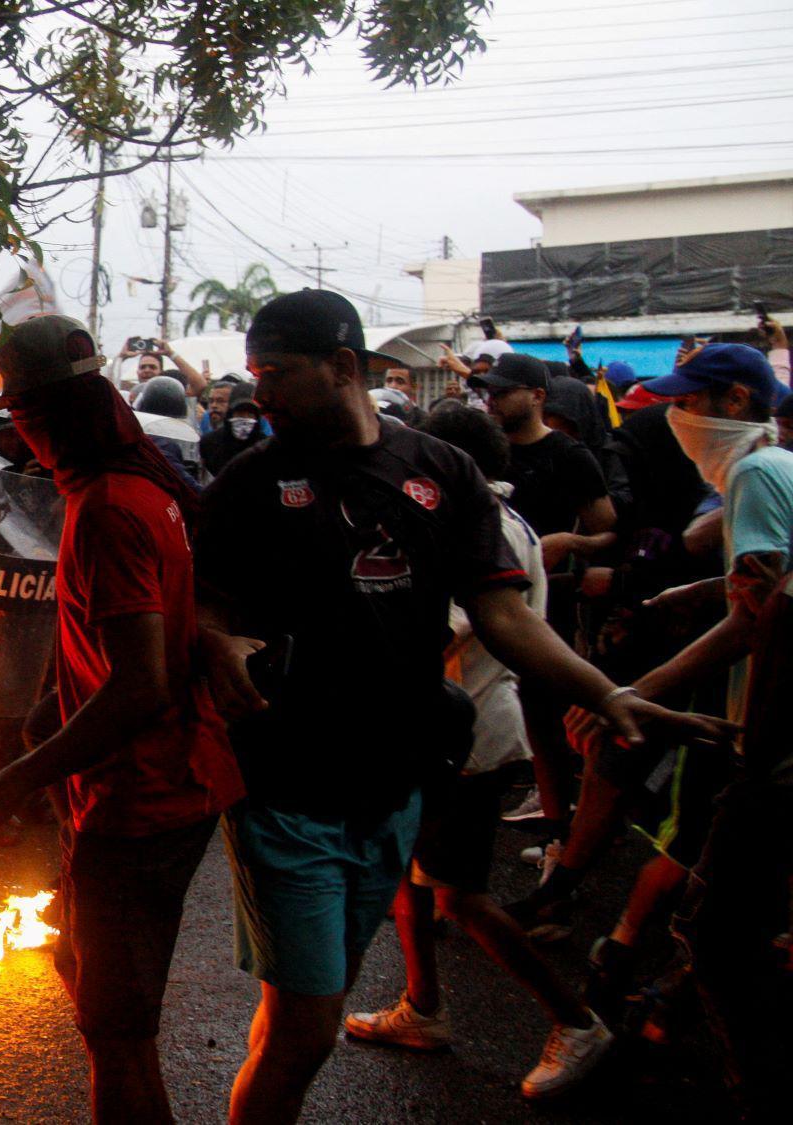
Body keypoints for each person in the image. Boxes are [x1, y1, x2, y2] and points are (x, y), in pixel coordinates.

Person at [195, 289, 729, 1125]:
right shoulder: (247, 484)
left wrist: (607, 691)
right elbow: (198, 599)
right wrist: (216, 638)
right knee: (305, 1034)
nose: (259, 392)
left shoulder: (441, 472)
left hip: (396, 786)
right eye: (256, 372)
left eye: (278, 373)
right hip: (286, 788)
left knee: (302, 1015)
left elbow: (505, 614)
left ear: (344, 368)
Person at [0, 314, 242, 1125]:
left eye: (21, 419)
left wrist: (12, 780)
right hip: (155, 778)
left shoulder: (111, 506)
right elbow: (147, 643)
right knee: (87, 974)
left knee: (115, 1031)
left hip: (143, 792)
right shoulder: (139, 485)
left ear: (42, 419)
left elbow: (142, 683)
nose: (22, 438)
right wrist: (51, 713)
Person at [345, 405, 614, 1099]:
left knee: (462, 896)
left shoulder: (478, 525)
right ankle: (423, 1005)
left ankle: (576, 1020)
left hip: (466, 737)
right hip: (451, 728)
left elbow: (446, 631)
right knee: (413, 872)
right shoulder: (498, 518)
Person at [598, 344, 793, 1117]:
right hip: (772, 725)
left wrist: (634, 693)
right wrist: (698, 587)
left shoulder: (752, 474)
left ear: (738, 399)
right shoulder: (778, 465)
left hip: (775, 733)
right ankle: (668, 1015)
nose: (678, 419)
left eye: (691, 402)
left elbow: (756, 618)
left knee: (719, 931)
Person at [469, 351, 616, 855]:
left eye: (503, 391)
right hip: (477, 602)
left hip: (538, 601)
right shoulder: (480, 451)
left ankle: (560, 837)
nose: (492, 399)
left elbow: (607, 529)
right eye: (488, 391)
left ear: (537, 397)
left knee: (543, 718)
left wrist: (569, 544)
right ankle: (452, 851)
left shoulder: (568, 455)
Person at [202, 390, 267, 476]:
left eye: (250, 415)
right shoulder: (210, 442)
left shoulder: (265, 446)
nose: (245, 418)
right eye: (240, 414)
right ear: (230, 415)